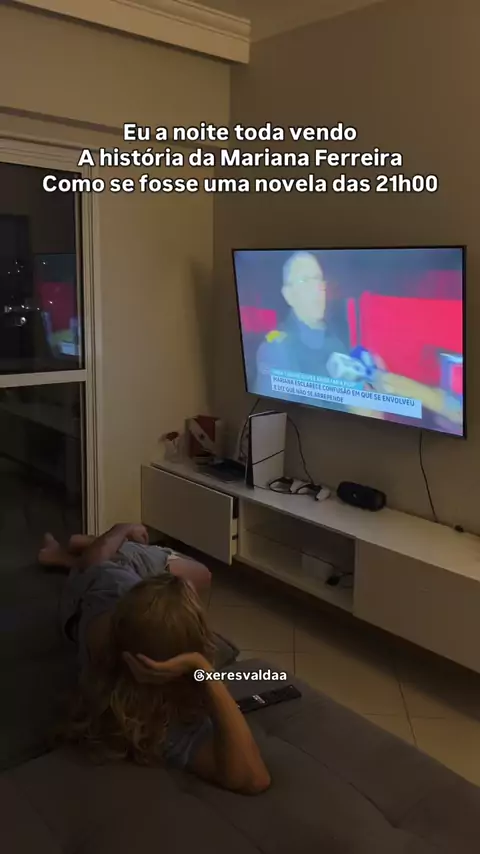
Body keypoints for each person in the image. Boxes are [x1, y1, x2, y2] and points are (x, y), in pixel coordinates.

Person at [39, 524, 270, 795]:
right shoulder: (162, 725)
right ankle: (84, 550)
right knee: (201, 574)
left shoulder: (114, 610)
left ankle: (77, 551)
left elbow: (95, 563)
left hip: (102, 585)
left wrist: (122, 529)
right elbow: (254, 778)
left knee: (104, 561)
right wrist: (201, 669)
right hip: (110, 583)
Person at [254, 251, 348, 399]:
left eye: (318, 279)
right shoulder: (276, 349)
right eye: (305, 281)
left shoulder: (337, 344)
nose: (316, 289)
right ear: (289, 295)